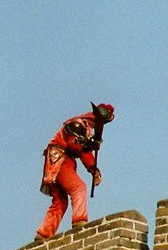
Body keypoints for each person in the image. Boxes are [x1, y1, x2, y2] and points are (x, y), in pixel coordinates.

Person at [35, 102, 115, 240]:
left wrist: (93, 169)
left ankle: (43, 234)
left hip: (63, 161)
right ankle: (79, 221)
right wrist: (90, 146)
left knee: (60, 201)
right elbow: (76, 146)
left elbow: (84, 152)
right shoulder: (77, 124)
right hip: (60, 160)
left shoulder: (86, 129)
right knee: (79, 188)